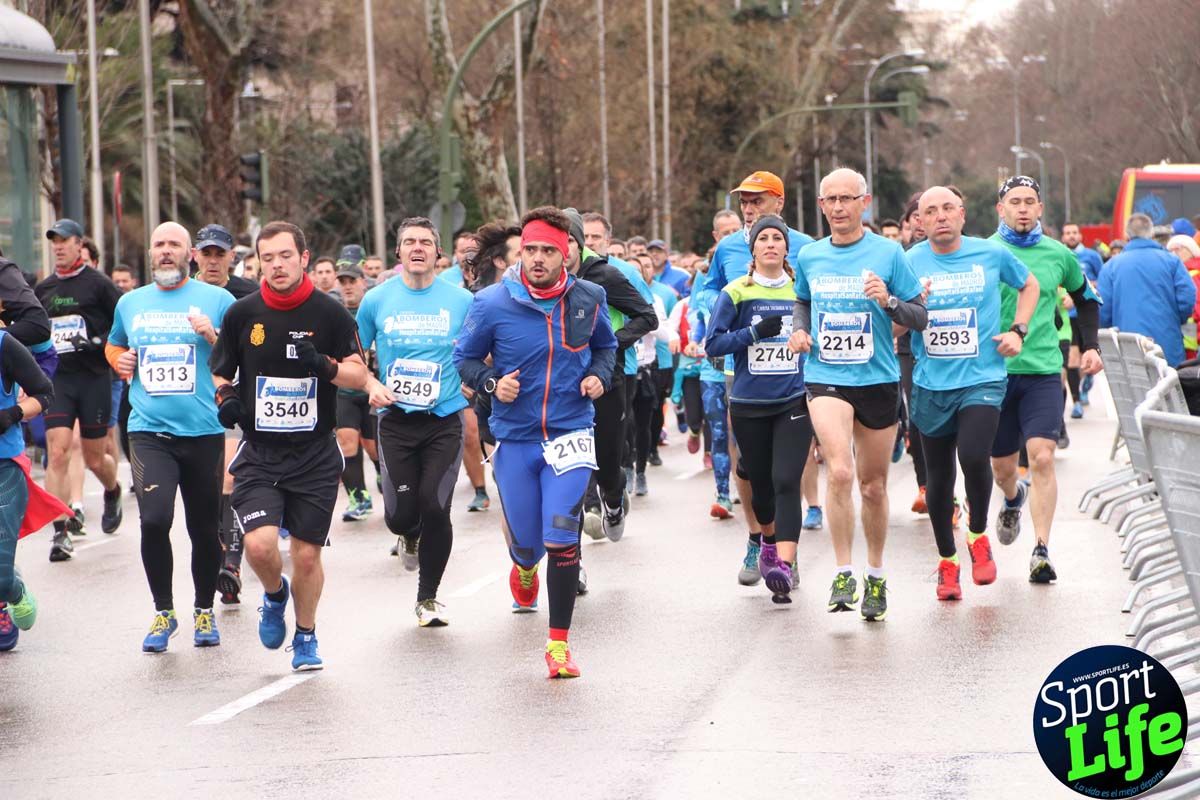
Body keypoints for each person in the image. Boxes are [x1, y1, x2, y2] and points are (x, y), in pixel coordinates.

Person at [454, 207, 616, 679]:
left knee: (562, 536)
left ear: (567, 254)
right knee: (527, 543)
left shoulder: (589, 297)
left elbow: (606, 347)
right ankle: (523, 567)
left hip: (571, 433)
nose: (538, 258)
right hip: (517, 439)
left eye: (548, 250)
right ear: (520, 253)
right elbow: (464, 359)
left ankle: (558, 646)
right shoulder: (490, 303)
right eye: (530, 250)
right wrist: (491, 383)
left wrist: (599, 376)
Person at [209, 221, 368, 671]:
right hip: (261, 453)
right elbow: (220, 370)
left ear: (303, 258)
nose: (276, 265)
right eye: (268, 258)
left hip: (315, 454)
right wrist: (226, 397)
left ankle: (306, 636)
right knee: (260, 547)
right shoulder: (242, 314)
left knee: (306, 554)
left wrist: (327, 367)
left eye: (285, 256)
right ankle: (275, 594)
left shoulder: (331, 314)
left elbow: (360, 374)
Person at [788, 168, 926, 621]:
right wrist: (800, 330)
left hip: (878, 379)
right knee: (841, 472)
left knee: (872, 485)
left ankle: (876, 574)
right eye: (831, 199)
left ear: (864, 203)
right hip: (826, 375)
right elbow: (803, 301)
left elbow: (920, 315)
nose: (839, 207)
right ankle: (843, 571)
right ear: (821, 205)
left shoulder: (889, 253)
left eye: (847, 198)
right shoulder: (810, 255)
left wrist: (888, 301)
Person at [905, 188, 1040, 600]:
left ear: (962, 214)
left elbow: (1029, 284)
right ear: (919, 222)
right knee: (939, 477)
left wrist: (1018, 330)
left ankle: (978, 535)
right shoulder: (909, 262)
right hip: (930, 382)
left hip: (983, 377)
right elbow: (893, 323)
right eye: (931, 211)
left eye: (948, 208)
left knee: (974, 455)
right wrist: (903, 308)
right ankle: (947, 562)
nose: (941, 216)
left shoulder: (990, 253)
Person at [106, 222, 234, 651]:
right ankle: (164, 611)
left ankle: (203, 609)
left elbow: (241, 356)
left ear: (190, 254)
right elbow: (114, 345)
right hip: (149, 431)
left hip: (204, 431)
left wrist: (213, 336)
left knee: (204, 527)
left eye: (174, 244)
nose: (165, 251)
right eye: (159, 244)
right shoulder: (130, 302)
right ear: (150, 252)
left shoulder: (218, 300)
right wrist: (119, 361)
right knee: (155, 520)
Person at [697, 172, 815, 583]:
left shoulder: (808, 250)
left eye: (757, 201)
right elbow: (707, 293)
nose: (748, 209)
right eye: (744, 202)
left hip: (795, 386)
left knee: (787, 475)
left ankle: (785, 559)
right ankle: (758, 537)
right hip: (743, 378)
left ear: (779, 204)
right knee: (751, 471)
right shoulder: (728, 250)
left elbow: (819, 304)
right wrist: (735, 309)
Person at [358, 217, 473, 626]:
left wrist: (474, 379)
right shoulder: (376, 300)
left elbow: (480, 350)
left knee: (436, 505)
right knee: (400, 516)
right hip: (395, 420)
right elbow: (354, 355)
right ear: (399, 252)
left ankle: (428, 598)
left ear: (438, 252)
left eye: (426, 241)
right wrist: (370, 383)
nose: (418, 248)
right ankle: (408, 533)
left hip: (444, 418)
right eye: (410, 242)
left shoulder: (461, 301)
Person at [989, 176, 1102, 583]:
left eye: (1029, 201)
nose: (1022, 208)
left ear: (1040, 209)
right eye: (1014, 201)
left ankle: (1041, 550)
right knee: (1003, 469)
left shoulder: (1058, 253)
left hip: (1042, 372)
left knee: (1041, 457)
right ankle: (1012, 498)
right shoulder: (985, 253)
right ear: (1000, 208)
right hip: (996, 375)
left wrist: (1091, 346)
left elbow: (1086, 300)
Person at [36, 219, 124, 562]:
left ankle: (112, 490)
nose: (58, 247)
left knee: (93, 458)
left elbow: (123, 321)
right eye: (54, 242)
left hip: (93, 378)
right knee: (58, 452)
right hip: (59, 379)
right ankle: (60, 532)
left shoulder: (99, 284)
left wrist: (97, 342)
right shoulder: (45, 288)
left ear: (79, 244)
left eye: (64, 241)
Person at [576, 210, 657, 539]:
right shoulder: (551, 273)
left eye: (595, 237)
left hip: (616, 371)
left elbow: (647, 316)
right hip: (568, 377)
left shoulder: (617, 273)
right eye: (584, 236)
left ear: (607, 240)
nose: (589, 242)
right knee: (575, 447)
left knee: (608, 450)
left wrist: (610, 342)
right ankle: (589, 506)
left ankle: (612, 494)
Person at [192, 223, 258, 604]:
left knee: (230, 477)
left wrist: (216, 337)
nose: (214, 261)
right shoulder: (180, 294)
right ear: (195, 256)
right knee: (208, 489)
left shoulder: (248, 294)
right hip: (190, 408)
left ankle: (231, 565)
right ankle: (218, 553)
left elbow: (256, 350)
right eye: (207, 254)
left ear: (233, 257)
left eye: (221, 254)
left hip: (233, 399)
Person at [0, 318, 61, 651]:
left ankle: (11, 589)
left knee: (0, 576)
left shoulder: (4, 344)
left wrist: (12, 414)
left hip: (4, 466)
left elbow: (44, 393)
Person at [1098, 214, 1196, 367]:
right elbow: (1188, 297)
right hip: (1167, 342)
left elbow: (1103, 310)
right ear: (1151, 233)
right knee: (1169, 380)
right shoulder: (1172, 261)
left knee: (1133, 382)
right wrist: (1175, 320)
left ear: (1127, 234)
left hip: (1127, 345)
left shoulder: (1111, 266)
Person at [334, 262, 380, 521]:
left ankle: (383, 473)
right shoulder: (334, 313)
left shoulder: (372, 310)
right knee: (346, 441)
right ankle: (359, 498)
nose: (348, 286)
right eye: (343, 282)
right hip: (345, 392)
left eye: (352, 281)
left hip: (373, 390)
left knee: (373, 448)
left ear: (363, 282)